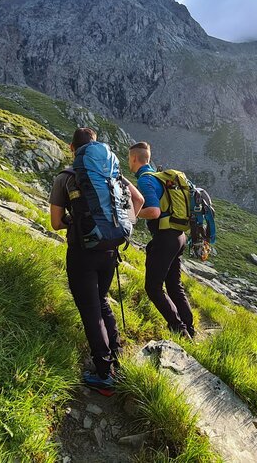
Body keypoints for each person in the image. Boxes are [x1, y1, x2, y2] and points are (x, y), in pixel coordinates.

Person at [50, 128, 144, 393]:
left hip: (82, 252)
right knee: (101, 301)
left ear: (72, 148)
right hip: (111, 250)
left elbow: (55, 223)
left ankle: (105, 374)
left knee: (90, 310)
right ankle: (117, 354)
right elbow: (139, 200)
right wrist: (123, 225)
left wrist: (75, 222)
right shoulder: (113, 176)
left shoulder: (66, 178)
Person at [129, 141, 196, 338]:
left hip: (166, 238)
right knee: (174, 285)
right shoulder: (159, 177)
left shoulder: (145, 180)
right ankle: (189, 328)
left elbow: (154, 212)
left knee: (153, 287)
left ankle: (179, 330)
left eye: (129, 159)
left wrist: (131, 213)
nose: (129, 163)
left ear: (134, 158)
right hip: (179, 236)